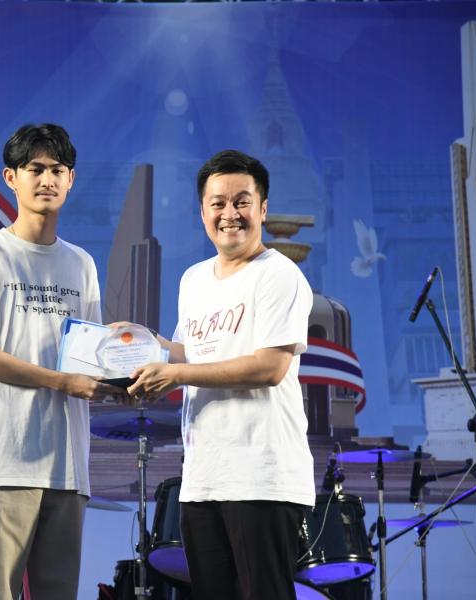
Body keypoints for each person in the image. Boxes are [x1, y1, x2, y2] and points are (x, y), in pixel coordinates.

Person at [127, 149, 315, 600]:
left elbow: (270, 366)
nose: (229, 214)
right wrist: (138, 341)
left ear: (262, 209)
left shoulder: (278, 275)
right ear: (203, 212)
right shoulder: (194, 279)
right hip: (203, 479)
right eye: (218, 203)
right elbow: (190, 352)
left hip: (262, 478)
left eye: (242, 202)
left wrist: (176, 373)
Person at [0, 123, 119, 600]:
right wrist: (62, 382)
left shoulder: (81, 264)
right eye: (35, 169)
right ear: (11, 177)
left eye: (57, 170)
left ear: (71, 179)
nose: (47, 180)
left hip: (68, 466)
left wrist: (123, 376)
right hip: (4, 460)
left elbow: (88, 358)